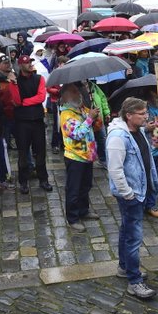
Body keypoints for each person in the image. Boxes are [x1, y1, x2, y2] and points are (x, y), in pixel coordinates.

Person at [106, 97, 158, 300]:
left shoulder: (136, 131)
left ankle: (124, 267)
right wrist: (128, 194)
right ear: (129, 116)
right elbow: (115, 170)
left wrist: (148, 129)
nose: (146, 116)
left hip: (140, 190)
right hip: (132, 195)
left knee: (126, 230)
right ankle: (135, 281)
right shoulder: (118, 138)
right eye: (142, 114)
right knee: (133, 237)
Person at [8, 55, 52, 195]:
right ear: (21, 65)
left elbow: (41, 97)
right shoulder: (15, 81)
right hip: (22, 123)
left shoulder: (39, 78)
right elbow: (15, 101)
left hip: (37, 121)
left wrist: (25, 102)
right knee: (22, 154)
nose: (30, 64)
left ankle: (43, 179)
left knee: (40, 152)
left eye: (31, 62)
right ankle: (23, 182)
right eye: (27, 63)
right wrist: (13, 84)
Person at [59, 83, 98, 232]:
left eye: (78, 91)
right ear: (66, 97)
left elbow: (92, 123)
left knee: (86, 186)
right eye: (74, 92)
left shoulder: (80, 109)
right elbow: (76, 134)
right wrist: (89, 119)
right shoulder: (66, 115)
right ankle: (73, 218)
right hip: (75, 157)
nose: (79, 94)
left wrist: (94, 116)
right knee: (73, 189)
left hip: (87, 155)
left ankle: (84, 210)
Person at [144, 88, 158, 218]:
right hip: (150, 150)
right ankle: (149, 205)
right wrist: (146, 127)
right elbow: (137, 127)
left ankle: (150, 202)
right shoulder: (144, 109)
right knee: (151, 180)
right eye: (155, 92)